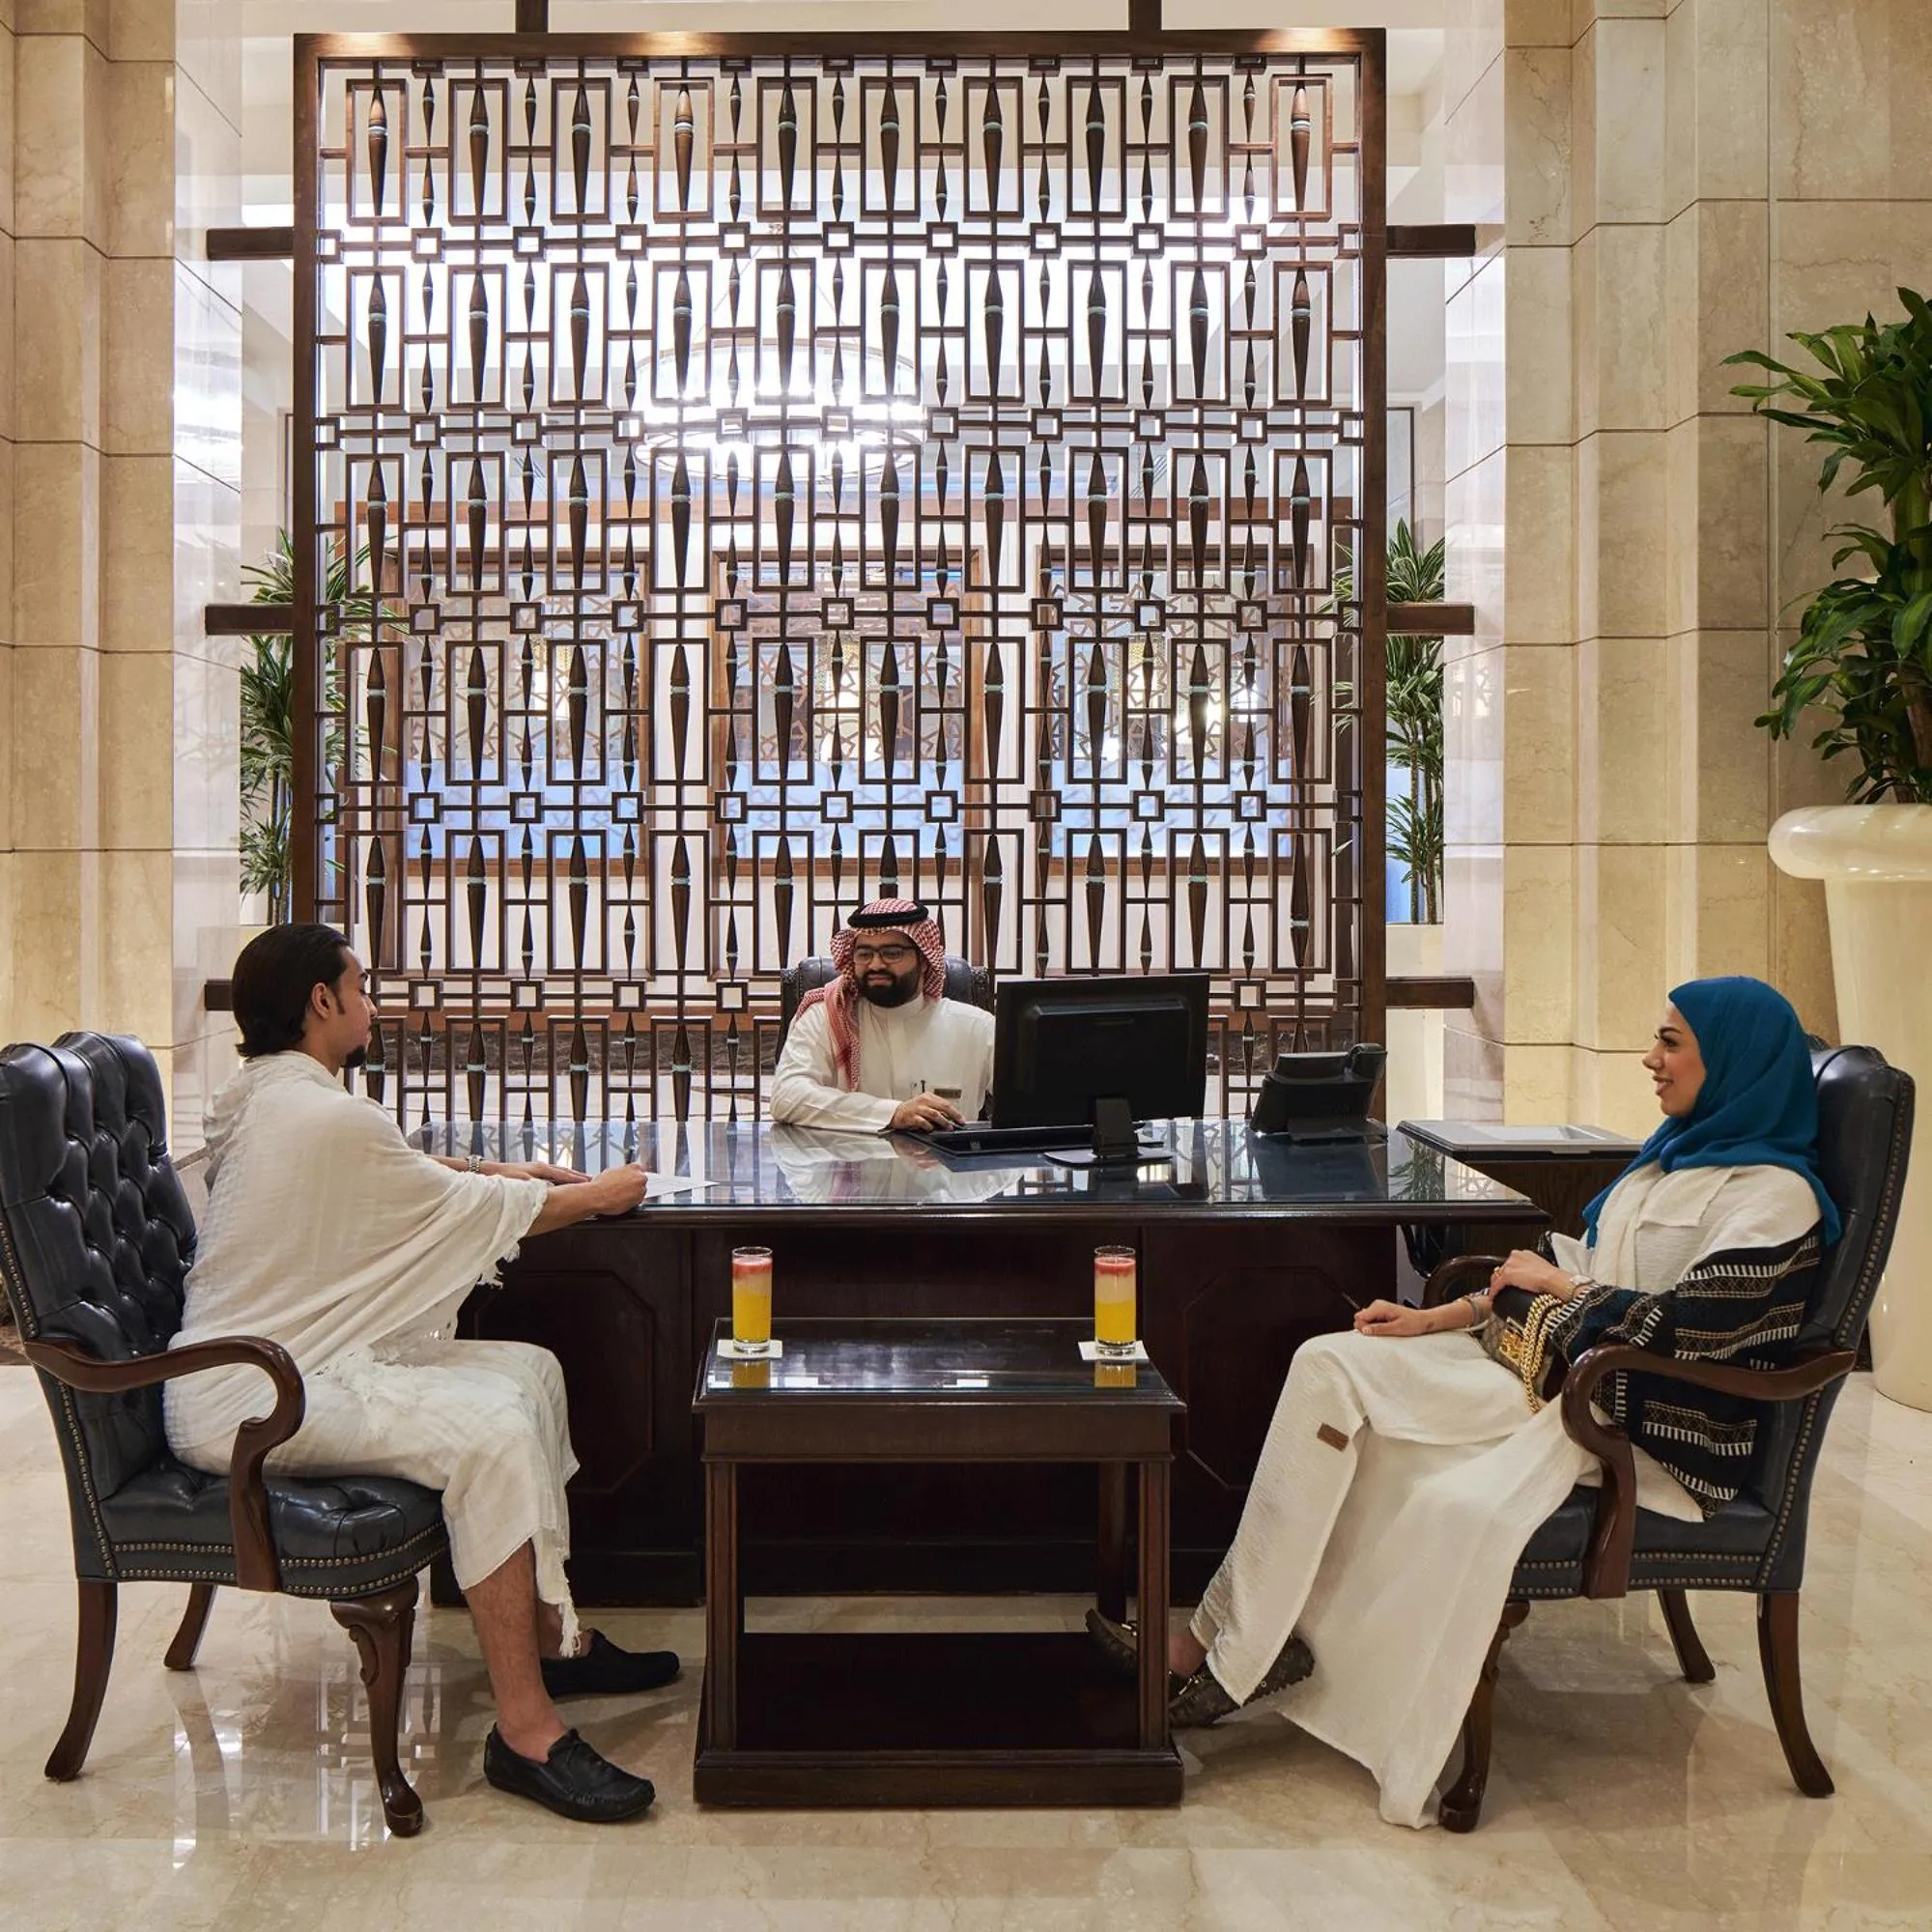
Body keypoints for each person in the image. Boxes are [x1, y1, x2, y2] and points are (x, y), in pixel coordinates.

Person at [1090, 976, 1838, 1829]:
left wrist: (1556, 1290)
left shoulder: (1771, 1197)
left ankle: (1221, 1660)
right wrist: (1450, 1311)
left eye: (1671, 1043)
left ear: (1737, 1062)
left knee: (1341, 1388)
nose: (1649, 1059)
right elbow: (1564, 1264)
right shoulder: (1672, 1159)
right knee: (1332, 1361)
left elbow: (1696, 1329)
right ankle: (1230, 1640)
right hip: (1550, 1372)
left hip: (1620, 1419)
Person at [166, 923, 677, 1825]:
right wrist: (598, 1194)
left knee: (530, 1370)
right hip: (255, 1395)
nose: (372, 1000)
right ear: (321, 1001)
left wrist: (497, 1167)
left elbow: (397, 1173)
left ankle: (557, 1636)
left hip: (276, 1365)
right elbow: (447, 1202)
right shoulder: (319, 1111)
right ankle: (524, 1732)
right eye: (360, 985)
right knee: (486, 1437)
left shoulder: (263, 1094)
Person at [769, 898, 995, 1134]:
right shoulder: (825, 1016)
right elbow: (787, 1096)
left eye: (892, 953)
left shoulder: (977, 1027)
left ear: (925, 961)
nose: (876, 964)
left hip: (946, 1170)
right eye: (864, 954)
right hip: (848, 1166)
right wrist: (892, 1113)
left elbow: (1029, 1104)